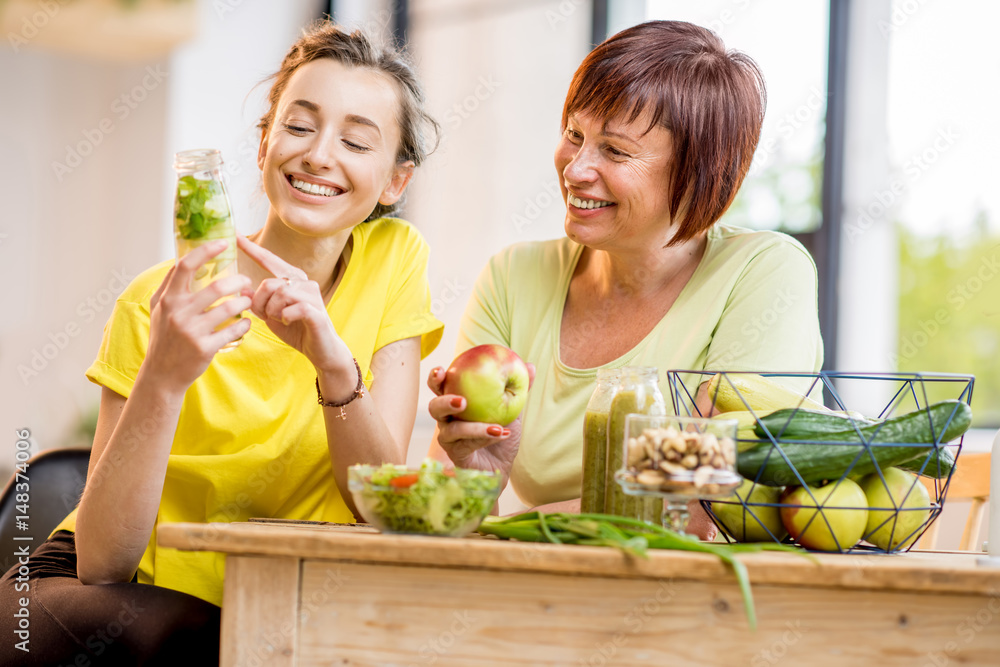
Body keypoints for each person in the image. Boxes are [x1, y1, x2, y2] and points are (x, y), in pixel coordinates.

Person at [0, 21, 442, 666]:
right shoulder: (165, 301)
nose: (319, 154)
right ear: (264, 142)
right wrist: (166, 375)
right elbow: (102, 561)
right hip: (100, 594)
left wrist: (331, 361)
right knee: (216, 640)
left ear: (396, 182)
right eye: (298, 126)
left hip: (270, 592)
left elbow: (377, 504)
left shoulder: (395, 259)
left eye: (355, 140)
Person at [427, 20, 823, 537]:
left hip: (701, 603)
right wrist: (476, 481)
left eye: (614, 150)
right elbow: (437, 514)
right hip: (541, 596)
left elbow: (712, 501)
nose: (575, 169)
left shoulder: (763, 273)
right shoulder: (514, 277)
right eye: (574, 135)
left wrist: (521, 523)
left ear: (699, 170)